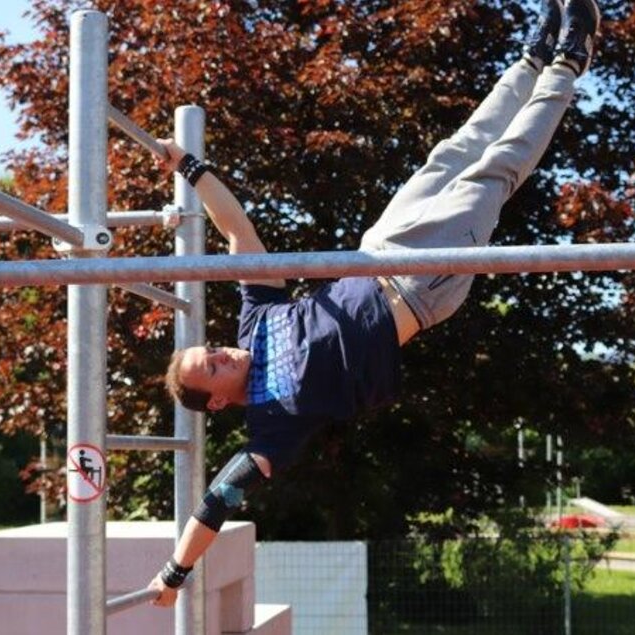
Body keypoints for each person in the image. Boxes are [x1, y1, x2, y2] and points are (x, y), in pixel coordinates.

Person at [146, 0, 601, 605]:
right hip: (418, 286)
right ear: (222, 400)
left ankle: (532, 58)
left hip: (380, 246)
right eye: (216, 368)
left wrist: (193, 169)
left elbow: (238, 236)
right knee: (494, 172)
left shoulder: (255, 321)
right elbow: (216, 501)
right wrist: (175, 573)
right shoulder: (272, 427)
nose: (224, 354)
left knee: (457, 150)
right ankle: (570, 62)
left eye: (212, 351)